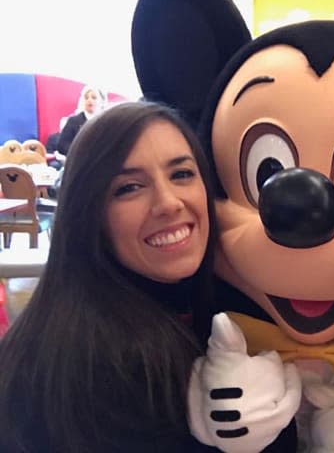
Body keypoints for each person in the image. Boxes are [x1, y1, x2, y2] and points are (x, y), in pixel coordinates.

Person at [0, 102, 220, 452]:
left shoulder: (187, 305)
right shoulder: (111, 369)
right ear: (89, 213)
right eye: (129, 188)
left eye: (181, 174)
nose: (169, 202)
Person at [56, 84, 106, 155]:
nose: (89, 100)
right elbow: (62, 145)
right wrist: (79, 152)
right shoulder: (73, 121)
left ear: (102, 101)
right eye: (86, 98)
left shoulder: (106, 121)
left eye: (94, 97)